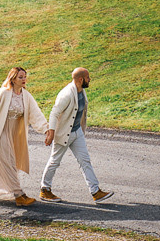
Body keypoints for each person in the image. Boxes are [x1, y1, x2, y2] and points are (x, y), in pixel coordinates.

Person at [0, 67, 52, 206]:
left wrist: (46, 130)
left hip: (14, 134)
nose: (24, 79)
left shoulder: (26, 96)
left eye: (25, 76)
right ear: (13, 79)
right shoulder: (3, 93)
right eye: (20, 77)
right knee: (9, 163)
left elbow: (35, 114)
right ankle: (19, 195)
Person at [40, 66, 113, 203]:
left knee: (85, 160)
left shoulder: (81, 90)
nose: (90, 79)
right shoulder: (66, 94)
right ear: (81, 79)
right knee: (55, 161)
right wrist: (51, 132)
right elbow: (54, 113)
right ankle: (45, 190)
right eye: (88, 77)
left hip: (77, 132)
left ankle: (95, 191)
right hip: (64, 134)